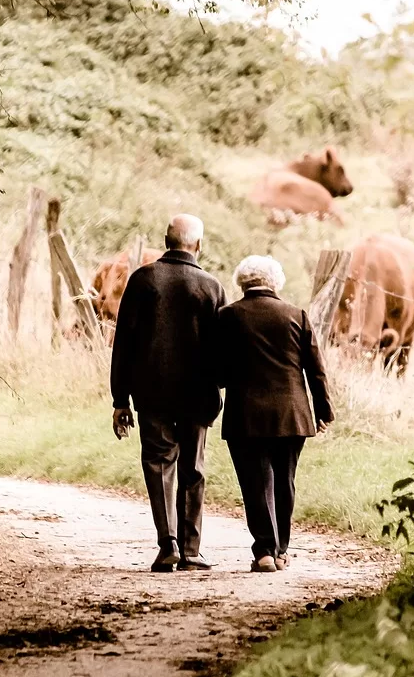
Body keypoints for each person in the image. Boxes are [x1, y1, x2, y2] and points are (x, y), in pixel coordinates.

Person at [111, 214, 227, 572]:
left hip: (151, 393)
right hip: (198, 394)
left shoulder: (143, 280)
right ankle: (192, 550)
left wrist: (120, 400)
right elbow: (222, 348)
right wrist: (219, 386)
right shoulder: (211, 286)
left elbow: (123, 344)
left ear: (166, 240)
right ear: (199, 245)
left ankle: (168, 545)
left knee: (159, 465)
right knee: (193, 467)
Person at [217, 255, 334, 572]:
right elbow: (316, 370)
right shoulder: (296, 315)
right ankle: (281, 550)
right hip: (292, 414)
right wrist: (323, 410)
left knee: (256, 483)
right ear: (275, 282)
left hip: (245, 415)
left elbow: (217, 372)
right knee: (285, 481)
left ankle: (265, 551)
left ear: (241, 281)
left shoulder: (227, 316)